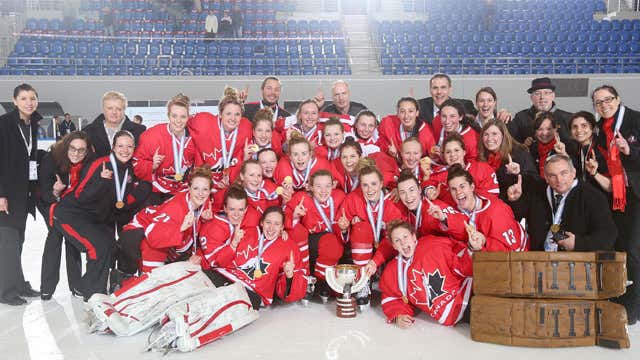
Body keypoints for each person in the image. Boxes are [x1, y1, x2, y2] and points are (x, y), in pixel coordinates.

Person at [52, 131, 148, 300]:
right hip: (72, 214)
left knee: (109, 246)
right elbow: (81, 196)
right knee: (99, 247)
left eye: (129, 146)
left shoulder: (130, 170)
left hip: (95, 219)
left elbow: (123, 199)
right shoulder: (101, 164)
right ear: (113, 147)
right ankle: (94, 296)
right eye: (120, 146)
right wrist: (101, 181)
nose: (124, 150)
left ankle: (83, 287)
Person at [592, 84, 640, 324]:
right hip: (615, 196)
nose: (604, 105)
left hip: (636, 193)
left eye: (608, 99)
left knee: (633, 250)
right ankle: (625, 295)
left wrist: (630, 150)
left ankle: (634, 307)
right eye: (599, 102)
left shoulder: (636, 119)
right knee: (620, 247)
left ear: (618, 98)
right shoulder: (600, 130)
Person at [507, 153, 617, 254]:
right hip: (540, 261)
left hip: (577, 264)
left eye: (563, 173)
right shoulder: (536, 190)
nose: (559, 180)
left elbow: (608, 236)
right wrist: (515, 200)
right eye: (552, 175)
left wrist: (578, 243)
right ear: (546, 177)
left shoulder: (592, 196)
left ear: (573, 173)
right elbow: (516, 218)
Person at [204, 206, 307, 309]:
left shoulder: (289, 247)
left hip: (252, 291)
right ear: (262, 223)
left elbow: (290, 293)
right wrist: (234, 244)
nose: (271, 228)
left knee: (216, 305)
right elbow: (220, 262)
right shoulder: (248, 232)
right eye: (268, 222)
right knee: (198, 278)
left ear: (282, 227)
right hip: (226, 277)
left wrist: (289, 276)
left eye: (277, 224)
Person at [379, 220, 475, 327]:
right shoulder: (393, 270)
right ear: (394, 246)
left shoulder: (432, 244)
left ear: (414, 237)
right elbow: (391, 297)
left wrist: (472, 248)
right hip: (449, 317)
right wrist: (399, 315)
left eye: (405, 237)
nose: (403, 242)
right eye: (397, 240)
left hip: (466, 295)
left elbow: (461, 265)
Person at [338, 159, 406, 307]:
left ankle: (382, 279)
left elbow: (397, 238)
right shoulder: (353, 199)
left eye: (374, 184)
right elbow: (340, 223)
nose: (370, 190)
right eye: (365, 185)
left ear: (381, 183)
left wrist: (376, 261)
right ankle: (363, 281)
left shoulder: (392, 202)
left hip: (386, 250)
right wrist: (344, 228)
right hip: (360, 250)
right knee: (362, 228)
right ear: (360, 185)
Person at [38, 132, 93, 300]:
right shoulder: (51, 158)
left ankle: (76, 285)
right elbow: (43, 192)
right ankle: (47, 287)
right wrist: (56, 191)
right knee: (55, 235)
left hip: (72, 206)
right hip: (50, 201)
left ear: (86, 152)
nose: (76, 154)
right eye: (73, 149)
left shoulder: (88, 163)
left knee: (72, 239)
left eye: (81, 150)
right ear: (66, 146)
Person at [0, 83, 42, 305]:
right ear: (14, 101)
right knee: (8, 243)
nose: (29, 102)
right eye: (24, 98)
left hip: (22, 195)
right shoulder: (4, 124)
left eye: (32, 98)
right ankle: (7, 291)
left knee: (18, 242)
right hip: (6, 195)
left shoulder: (33, 123)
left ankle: (18, 283)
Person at [427, 164, 529, 252]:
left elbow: (514, 251)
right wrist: (443, 218)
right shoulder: (455, 200)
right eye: (453, 189)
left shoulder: (496, 213)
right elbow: (429, 183)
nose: (458, 193)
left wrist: (485, 242)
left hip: (516, 262)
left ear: (472, 187)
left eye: (462, 186)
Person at [134, 167, 213, 274]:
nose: (200, 193)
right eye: (196, 188)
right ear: (188, 188)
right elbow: (153, 237)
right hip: (150, 239)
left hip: (176, 249)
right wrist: (181, 228)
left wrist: (204, 220)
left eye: (205, 189)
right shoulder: (175, 208)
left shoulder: (205, 202)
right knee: (155, 282)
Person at [284, 170, 346, 302]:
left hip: (333, 241)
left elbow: (349, 214)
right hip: (309, 243)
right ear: (310, 187)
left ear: (333, 185)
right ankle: (305, 278)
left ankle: (322, 281)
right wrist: (294, 217)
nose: (323, 190)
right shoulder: (301, 198)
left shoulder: (340, 197)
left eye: (327, 186)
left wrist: (347, 225)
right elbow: (286, 220)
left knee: (333, 242)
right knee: (298, 230)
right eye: (318, 186)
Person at [189, 87, 252, 202]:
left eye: (237, 114)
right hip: (202, 185)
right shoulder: (203, 123)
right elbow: (181, 121)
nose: (233, 118)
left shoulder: (246, 128)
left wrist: (245, 158)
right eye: (228, 113)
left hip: (228, 185)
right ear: (220, 114)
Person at [132, 94, 196, 205]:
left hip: (183, 189)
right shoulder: (152, 135)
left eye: (183, 116)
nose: (178, 121)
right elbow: (136, 165)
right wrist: (151, 165)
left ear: (188, 117)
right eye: (174, 116)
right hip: (156, 189)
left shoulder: (194, 138)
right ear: (168, 116)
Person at [423, 134, 499, 207]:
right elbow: (428, 184)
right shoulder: (439, 174)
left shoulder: (481, 168)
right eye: (448, 152)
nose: (452, 154)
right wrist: (429, 190)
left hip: (481, 215)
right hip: (453, 218)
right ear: (444, 156)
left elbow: (492, 197)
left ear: (464, 152)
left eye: (456, 150)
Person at [478, 119, 538, 204]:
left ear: (503, 136)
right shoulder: (482, 158)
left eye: (494, 134)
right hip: (493, 205)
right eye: (486, 134)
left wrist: (518, 173)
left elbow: (534, 180)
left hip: (517, 204)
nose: (489, 138)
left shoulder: (519, 153)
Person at [507, 77, 572, 147]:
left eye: (546, 93)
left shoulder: (568, 118)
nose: (542, 97)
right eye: (537, 93)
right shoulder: (520, 117)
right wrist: (522, 146)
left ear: (553, 96)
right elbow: (510, 143)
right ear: (531, 97)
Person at [84, 91, 146, 157]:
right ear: (103, 109)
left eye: (118, 109)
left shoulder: (140, 131)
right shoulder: (88, 132)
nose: (114, 112)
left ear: (124, 110)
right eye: (110, 108)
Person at [565, 111, 610, 192]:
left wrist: (595, 173)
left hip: (603, 199)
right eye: (574, 127)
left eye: (584, 126)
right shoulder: (574, 148)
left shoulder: (602, 148)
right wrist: (563, 154)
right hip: (584, 197)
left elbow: (610, 188)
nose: (579, 130)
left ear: (592, 128)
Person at [529, 111, 567, 177]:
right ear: (535, 131)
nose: (544, 133)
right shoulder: (531, 149)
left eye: (549, 129)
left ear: (555, 129)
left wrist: (563, 154)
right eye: (540, 129)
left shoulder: (566, 147)